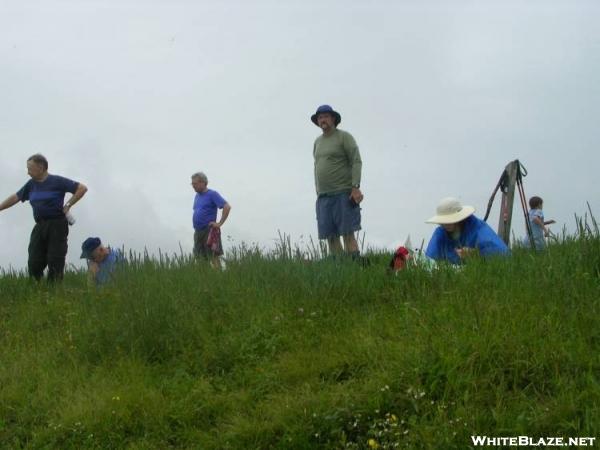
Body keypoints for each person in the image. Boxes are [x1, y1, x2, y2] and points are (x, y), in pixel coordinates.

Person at [0, 154, 87, 281]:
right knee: (34, 260)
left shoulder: (57, 181)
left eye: (30, 169)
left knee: (55, 259)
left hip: (57, 224)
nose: (28, 172)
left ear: (41, 168)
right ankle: (36, 287)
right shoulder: (31, 185)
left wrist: (68, 204)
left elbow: (82, 188)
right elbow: (16, 197)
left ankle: (54, 290)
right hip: (40, 225)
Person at [311, 104, 364, 259]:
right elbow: (316, 167)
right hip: (323, 197)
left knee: (348, 233)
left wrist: (355, 187)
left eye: (326, 116)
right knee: (330, 236)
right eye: (320, 117)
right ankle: (339, 267)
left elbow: (356, 161)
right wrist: (318, 192)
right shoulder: (317, 142)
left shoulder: (344, 137)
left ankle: (354, 264)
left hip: (343, 193)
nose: (323, 120)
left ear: (333, 118)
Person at [425, 197, 509, 264]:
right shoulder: (440, 233)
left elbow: (504, 258)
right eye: (443, 222)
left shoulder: (480, 231)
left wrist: (476, 255)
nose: (445, 225)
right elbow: (428, 261)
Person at [191, 171, 231, 268]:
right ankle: (205, 280)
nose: (193, 186)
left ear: (203, 182)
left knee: (213, 256)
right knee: (200, 258)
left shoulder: (212, 194)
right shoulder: (197, 196)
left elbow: (227, 206)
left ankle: (219, 279)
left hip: (209, 230)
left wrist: (219, 223)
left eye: (195, 183)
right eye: (192, 184)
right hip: (198, 231)